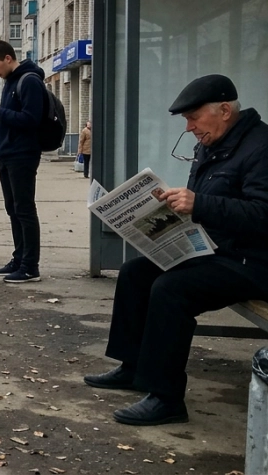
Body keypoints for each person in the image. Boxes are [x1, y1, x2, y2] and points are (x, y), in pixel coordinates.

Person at [84, 74, 268, 426]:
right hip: (216, 248)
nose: (189, 127)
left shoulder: (262, 147)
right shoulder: (212, 144)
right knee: (136, 272)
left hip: (253, 260)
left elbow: (263, 214)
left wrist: (200, 205)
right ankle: (133, 366)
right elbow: (203, 204)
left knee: (172, 290)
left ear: (225, 110)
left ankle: (166, 397)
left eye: (193, 118)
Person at [0, 40, 45, 284]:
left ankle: (29, 266)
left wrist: (0, 112)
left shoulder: (30, 81)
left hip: (23, 154)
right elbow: (12, 119)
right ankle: (19, 258)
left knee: (24, 210)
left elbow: (31, 119)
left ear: (8, 58)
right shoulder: (11, 83)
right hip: (8, 154)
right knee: (13, 209)